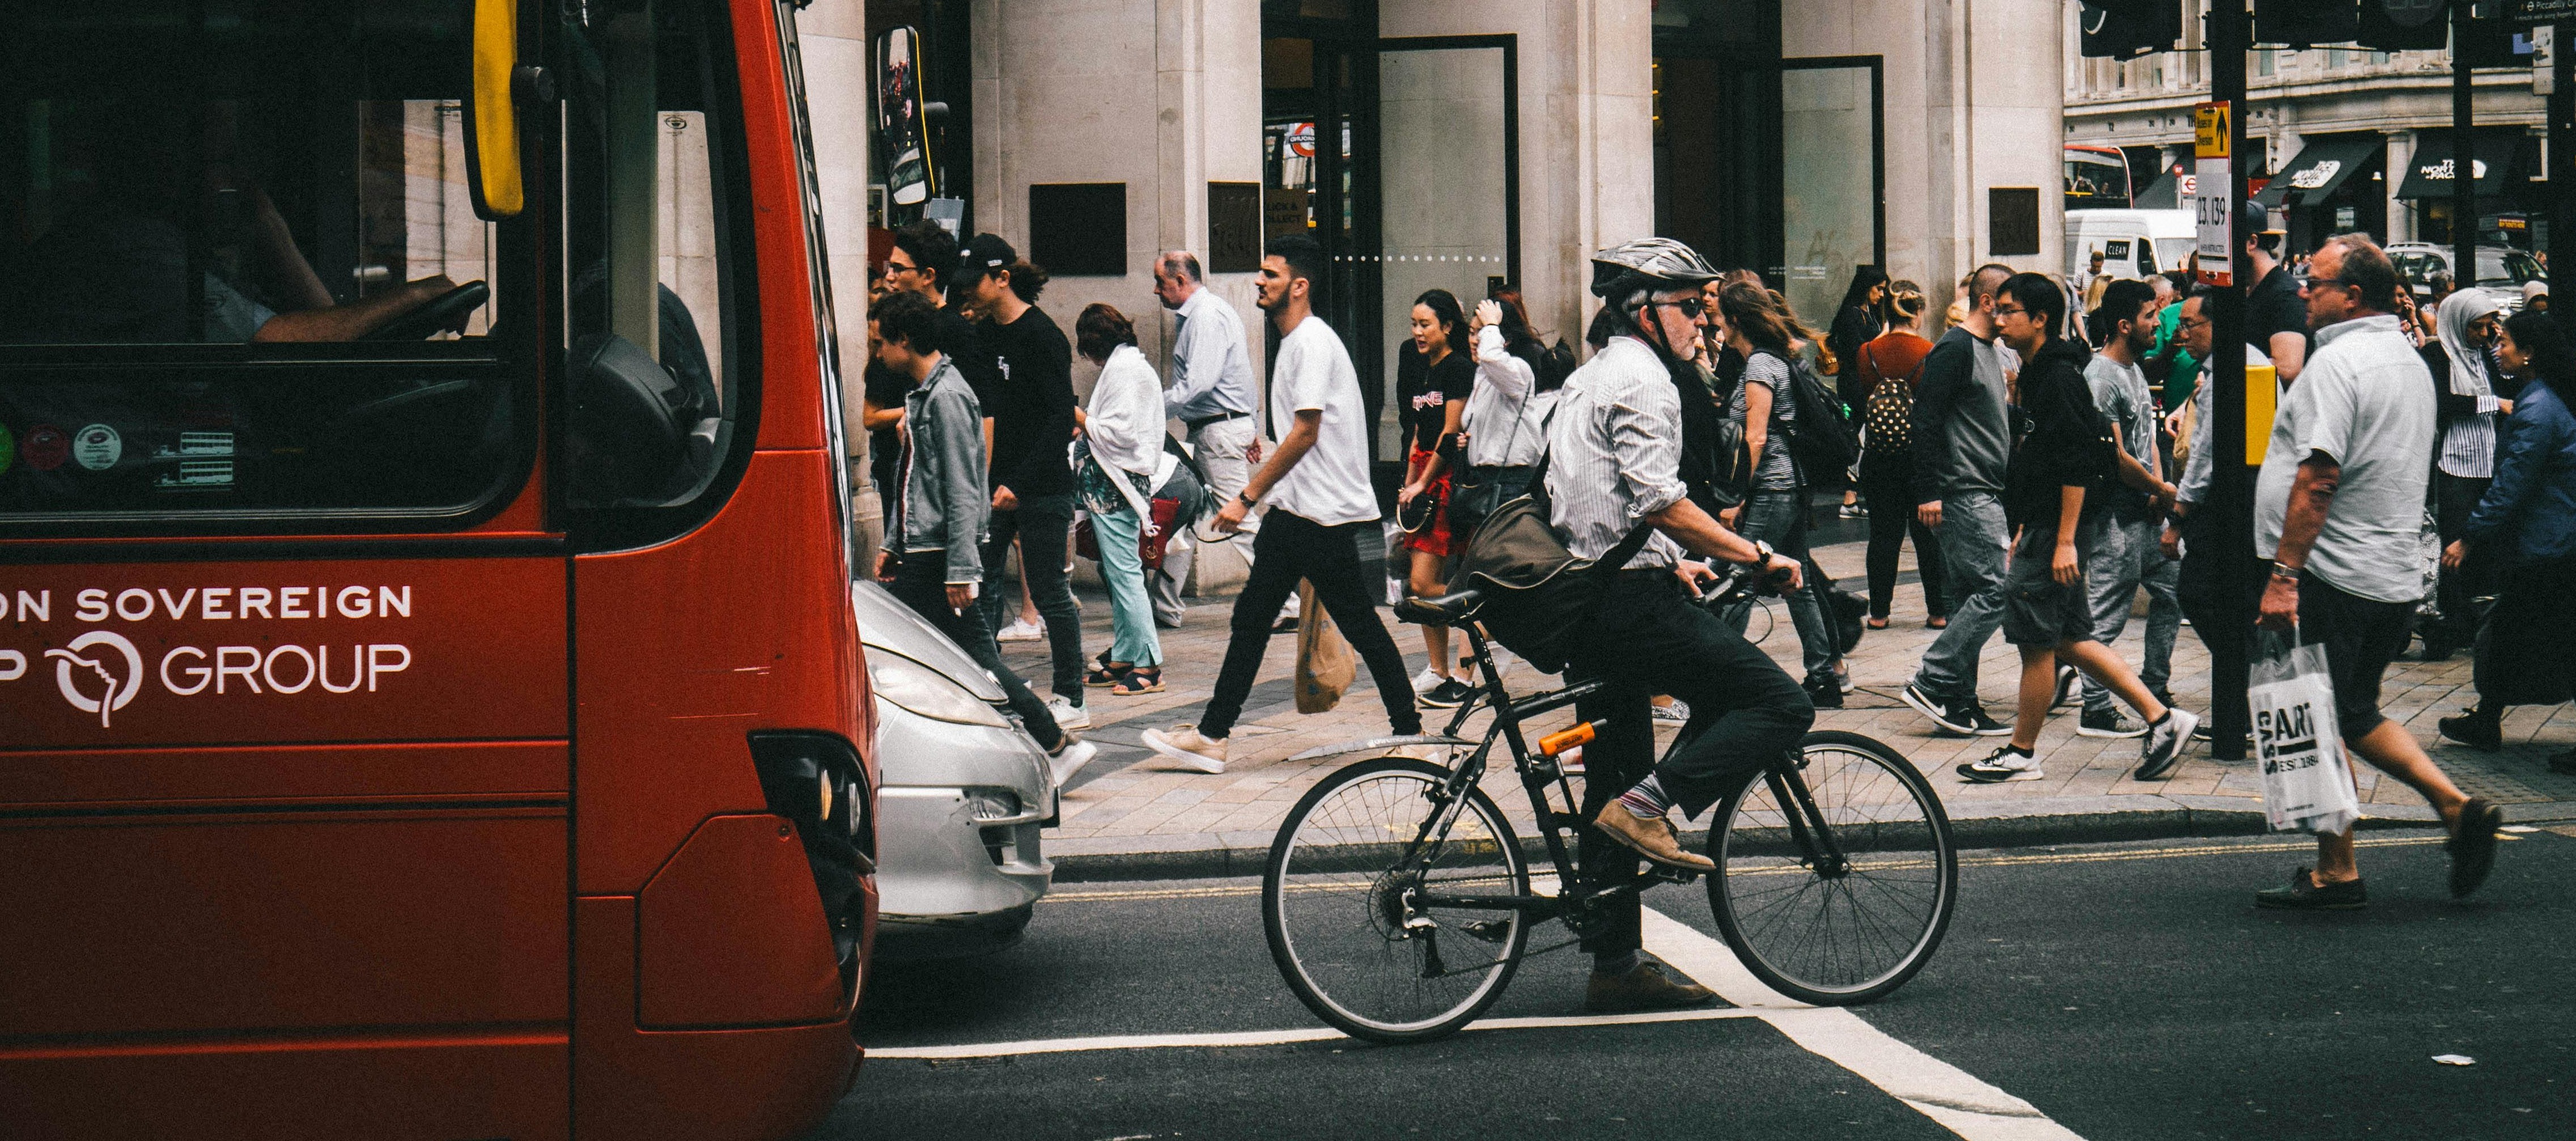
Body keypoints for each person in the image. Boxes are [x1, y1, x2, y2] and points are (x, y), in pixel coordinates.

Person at [1551, 237, 1811, 1011]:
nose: (1703, 323)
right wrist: (1750, 551)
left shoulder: (1590, 375)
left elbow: (1607, 499)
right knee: (1780, 704)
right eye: (1690, 307)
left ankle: (1615, 963)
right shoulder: (1645, 379)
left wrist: (1673, 559)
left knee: (1612, 772)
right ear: (1644, 311)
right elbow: (1660, 499)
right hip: (1630, 607)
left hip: (1592, 600)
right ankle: (1648, 807)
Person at [2251, 234, 2503, 909]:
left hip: (2334, 574)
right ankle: (2452, 811)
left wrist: (2283, 575)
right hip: (2388, 573)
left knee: (2316, 713)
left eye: (2316, 283)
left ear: (2352, 296)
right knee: (2351, 711)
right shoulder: (2404, 358)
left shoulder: (2341, 365)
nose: (2303, 291)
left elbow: (2319, 477)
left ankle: (2342, 868)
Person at [1142, 236, 1421, 774]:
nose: (1258, 281)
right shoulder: (1293, 342)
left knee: (1357, 623)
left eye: (1269, 274)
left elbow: (1307, 431)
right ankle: (1212, 734)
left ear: (1299, 285)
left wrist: (1245, 498)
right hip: (1300, 511)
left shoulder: (1310, 342)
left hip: (1324, 515)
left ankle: (1410, 729)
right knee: (1253, 619)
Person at [1956, 274, 2196, 783]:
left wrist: (2063, 539)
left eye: (2008, 310)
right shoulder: (2044, 370)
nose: (1998, 319)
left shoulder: (2058, 378)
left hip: (2056, 531)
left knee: (2038, 640)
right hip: (2044, 526)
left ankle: (2022, 751)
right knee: (2068, 637)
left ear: (2040, 318)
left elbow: (2076, 462)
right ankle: (2161, 718)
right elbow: (2041, 460)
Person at [869, 290, 1090, 771]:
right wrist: (892, 541)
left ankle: (1048, 743)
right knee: (973, 658)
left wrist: (960, 568)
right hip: (923, 548)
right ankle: (1051, 743)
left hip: (936, 554)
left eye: (880, 343)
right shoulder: (929, 394)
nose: (877, 354)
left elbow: (963, 486)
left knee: (917, 651)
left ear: (904, 340)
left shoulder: (947, 396)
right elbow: (911, 480)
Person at [953, 235, 1088, 731]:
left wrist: (1020, 481)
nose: (967, 294)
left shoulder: (1042, 336)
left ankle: (1071, 697)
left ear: (1002, 278)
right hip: (996, 484)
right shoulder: (985, 335)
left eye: (974, 284)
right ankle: (987, 683)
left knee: (1051, 591)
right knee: (980, 584)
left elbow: (1060, 418)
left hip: (1042, 486)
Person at [2440, 312, 2576, 762]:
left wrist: (2469, 537)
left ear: (2529, 353)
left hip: (2548, 546)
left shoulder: (2537, 410)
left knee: (2544, 638)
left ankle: (2485, 719)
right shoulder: (2539, 398)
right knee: (2510, 633)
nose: (2498, 349)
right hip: (2548, 541)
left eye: (2506, 343)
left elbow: (2511, 483)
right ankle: (2485, 718)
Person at [1901, 263, 2021, 736]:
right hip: (1964, 491)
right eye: (2009, 307)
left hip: (1980, 489)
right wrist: (1928, 490)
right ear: (1988, 303)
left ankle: (1958, 700)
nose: (2013, 316)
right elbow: (1925, 421)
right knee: (1999, 587)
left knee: (1972, 593)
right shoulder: (1954, 348)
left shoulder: (1989, 350)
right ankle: (1934, 678)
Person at [1716, 281, 1847, 707]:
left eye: (1718, 315)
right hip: (1791, 485)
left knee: (1738, 577)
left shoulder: (1758, 367)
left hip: (1771, 487)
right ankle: (1823, 676)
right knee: (1799, 583)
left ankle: (1718, 676)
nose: (1712, 323)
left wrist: (1735, 496)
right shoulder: (1777, 360)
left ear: (1735, 321)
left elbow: (1754, 438)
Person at [2068, 279, 2184, 738]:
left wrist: (2157, 490)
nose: (2158, 323)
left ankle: (2153, 685)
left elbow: (2147, 441)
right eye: (2149, 316)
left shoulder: (2134, 370)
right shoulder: (2100, 377)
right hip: (2114, 515)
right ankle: (2094, 708)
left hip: (2143, 511)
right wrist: (2160, 489)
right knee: (2105, 616)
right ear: (2123, 325)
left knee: (2175, 592)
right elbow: (2113, 456)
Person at [2159, 289, 2273, 753]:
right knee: (2240, 602)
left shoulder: (2231, 371)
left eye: (2191, 325)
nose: (2180, 334)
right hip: (2253, 498)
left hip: (2227, 504)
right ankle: (2245, 702)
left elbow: (2205, 454)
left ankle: (2242, 695)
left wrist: (2178, 517)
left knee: (2198, 592)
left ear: (2218, 325)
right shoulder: (2249, 361)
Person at [1150, 251, 1263, 629]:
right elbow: (1240, 375)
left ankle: (1285, 602)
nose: (1155, 291)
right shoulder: (1212, 312)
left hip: (1217, 430)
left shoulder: (1204, 317)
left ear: (1181, 281)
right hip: (1219, 427)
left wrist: (1148, 410)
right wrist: (1251, 424)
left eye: (1161, 283)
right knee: (1187, 513)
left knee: (1239, 520)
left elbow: (1197, 383)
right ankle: (1164, 606)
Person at [1070, 303, 1172, 697]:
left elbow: (1121, 433)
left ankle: (1149, 663)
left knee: (1124, 573)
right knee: (1119, 572)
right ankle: (1127, 654)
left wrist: (1080, 418)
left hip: (1115, 485)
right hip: (1112, 484)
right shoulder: (1130, 367)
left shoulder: (1126, 371)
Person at [1393, 289, 1476, 708]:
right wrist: (1407, 483)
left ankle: (1481, 614)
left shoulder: (1459, 368)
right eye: (1414, 324)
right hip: (1422, 475)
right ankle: (1438, 668)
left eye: (1425, 324)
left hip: (1445, 477)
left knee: (1424, 582)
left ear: (1447, 326)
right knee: (1418, 580)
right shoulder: (1420, 366)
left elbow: (1448, 432)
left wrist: (1423, 482)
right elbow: (1415, 432)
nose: (1418, 332)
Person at [1853, 279, 1950, 630]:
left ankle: (1879, 613)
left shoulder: (1866, 353)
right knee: (1927, 536)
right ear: (1919, 312)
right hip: (1919, 456)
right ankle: (1938, 611)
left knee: (1882, 535)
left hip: (1879, 456)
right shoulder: (1930, 352)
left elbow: (1862, 396)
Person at [2420, 289, 2509, 661]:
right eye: (2477, 326)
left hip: (2486, 460)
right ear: (2457, 323)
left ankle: (2477, 619)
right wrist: (2492, 403)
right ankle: (2451, 618)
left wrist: (2497, 342)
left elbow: (2506, 382)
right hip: (2453, 463)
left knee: (2482, 542)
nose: (2483, 332)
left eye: (2488, 325)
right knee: (2453, 542)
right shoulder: (2437, 355)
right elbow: (2442, 403)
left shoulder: (2481, 355)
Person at [1453, 290, 1556, 542]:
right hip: (1483, 481)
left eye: (1482, 332)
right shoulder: (1482, 375)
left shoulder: (1518, 370)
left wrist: (1491, 326)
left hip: (1511, 482)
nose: (1475, 340)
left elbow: (1491, 357)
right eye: (1471, 332)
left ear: (1504, 339)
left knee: (1503, 561)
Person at [2243, 201, 2310, 384]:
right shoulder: (2249, 290)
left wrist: (2225, 370)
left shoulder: (2284, 295)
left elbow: (2287, 368)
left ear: (2252, 242)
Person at [1827, 265, 1889, 417]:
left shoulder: (1870, 312)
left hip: (1865, 381)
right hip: (1854, 383)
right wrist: (1884, 335)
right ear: (1867, 286)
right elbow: (1857, 351)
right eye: (1879, 288)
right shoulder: (1851, 313)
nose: (1881, 295)